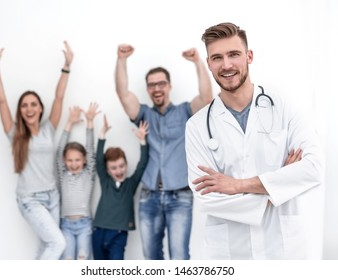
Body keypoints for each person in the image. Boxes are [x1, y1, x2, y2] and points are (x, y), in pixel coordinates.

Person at [185, 22, 322, 259]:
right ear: (208, 64)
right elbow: (207, 198)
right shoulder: (197, 126)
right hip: (230, 254)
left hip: (285, 251)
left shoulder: (285, 108)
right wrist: (278, 188)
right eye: (217, 58)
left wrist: (237, 185)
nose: (226, 65)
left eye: (234, 54)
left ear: (249, 56)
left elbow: (313, 169)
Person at [115, 44, 212, 260]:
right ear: (148, 89)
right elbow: (123, 94)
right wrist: (121, 59)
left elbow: (206, 98)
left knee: (179, 258)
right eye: (152, 85)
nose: (156, 88)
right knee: (152, 259)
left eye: (161, 83)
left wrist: (198, 62)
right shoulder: (143, 114)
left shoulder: (185, 112)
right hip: (148, 196)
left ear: (169, 86)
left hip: (180, 196)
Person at [0, 40, 73, 259]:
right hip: (30, 199)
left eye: (33, 104)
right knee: (57, 243)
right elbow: (2, 101)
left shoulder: (49, 129)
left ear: (41, 108)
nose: (29, 108)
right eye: (24, 105)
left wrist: (67, 65)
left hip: (52, 196)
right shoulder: (15, 135)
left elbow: (59, 96)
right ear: (20, 111)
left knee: (46, 248)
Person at [92, 115, 149, 260]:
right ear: (108, 170)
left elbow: (142, 165)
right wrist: (102, 135)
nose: (119, 171)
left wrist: (142, 140)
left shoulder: (131, 184)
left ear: (126, 164)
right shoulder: (105, 182)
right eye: (114, 168)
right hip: (99, 231)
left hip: (119, 233)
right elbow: (98, 160)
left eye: (121, 166)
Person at [56, 103, 99, 260]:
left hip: (84, 225)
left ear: (84, 160)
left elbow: (90, 148)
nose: (73, 164)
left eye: (77, 160)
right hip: (66, 225)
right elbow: (60, 150)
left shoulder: (88, 174)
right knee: (67, 260)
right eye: (70, 160)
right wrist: (69, 123)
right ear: (64, 161)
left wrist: (90, 122)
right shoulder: (63, 175)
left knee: (83, 258)